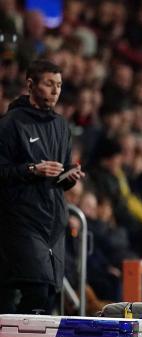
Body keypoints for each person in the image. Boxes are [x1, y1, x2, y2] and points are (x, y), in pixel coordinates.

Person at [0, 59, 85, 314]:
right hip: (21, 219)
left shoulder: (61, 126)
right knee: (34, 290)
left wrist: (69, 177)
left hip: (53, 220)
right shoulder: (11, 124)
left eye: (58, 85)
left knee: (48, 293)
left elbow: (59, 172)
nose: (55, 90)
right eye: (49, 84)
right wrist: (31, 170)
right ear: (30, 84)